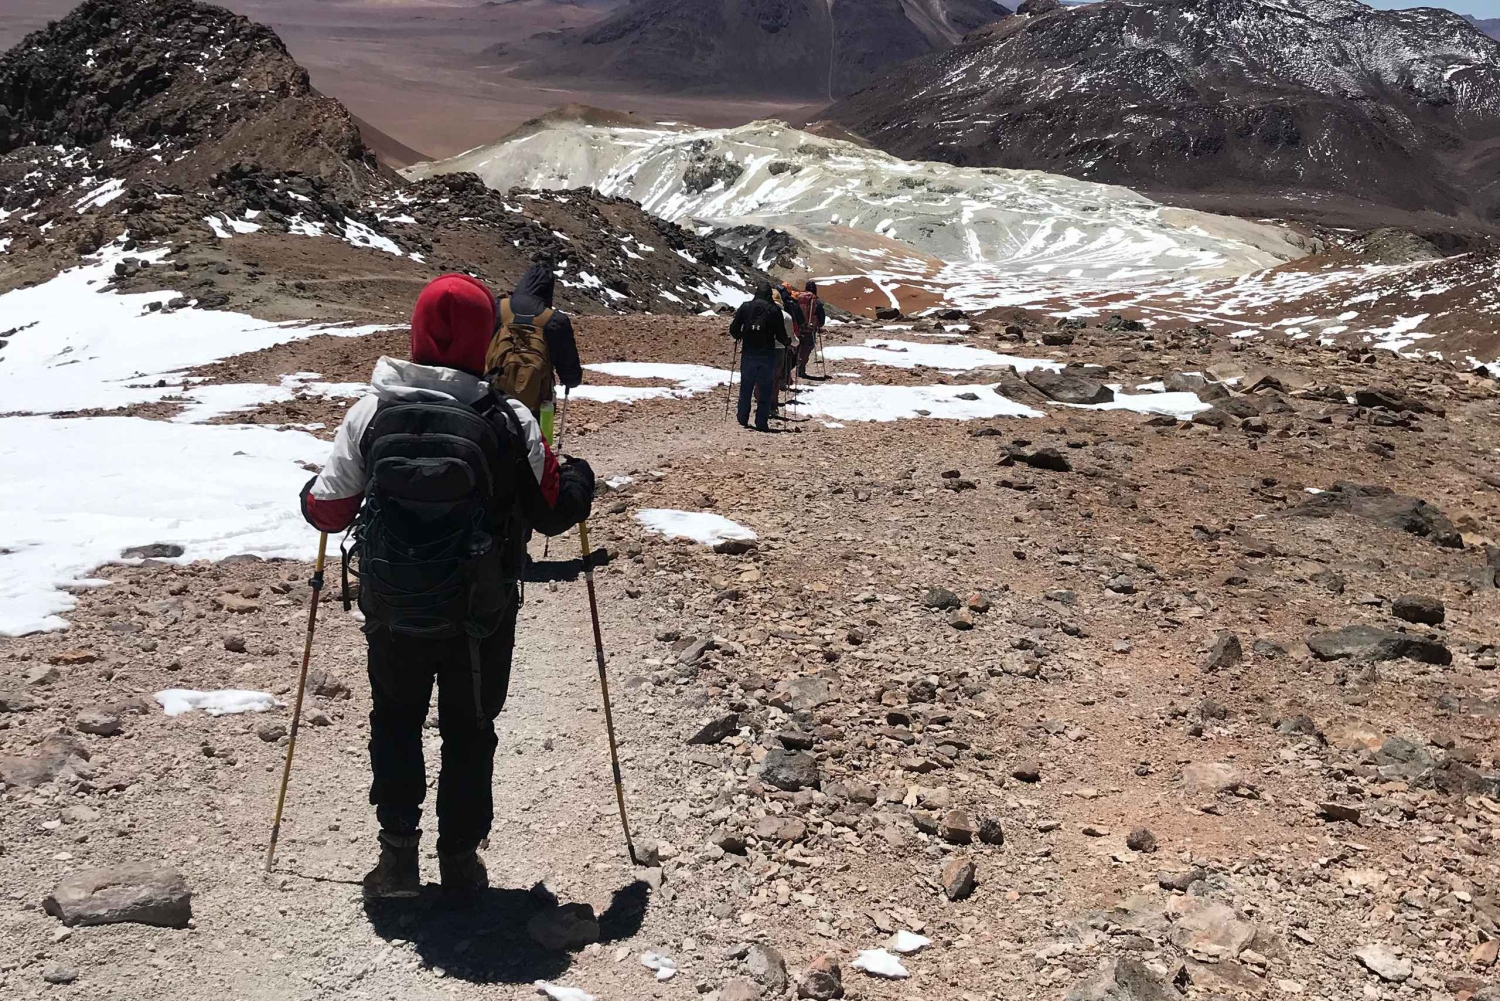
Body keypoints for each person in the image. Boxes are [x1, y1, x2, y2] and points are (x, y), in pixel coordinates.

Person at [299, 273, 595, 901]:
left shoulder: (370, 411)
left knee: (395, 721)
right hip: (477, 614)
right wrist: (579, 481)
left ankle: (398, 859)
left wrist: (310, 495)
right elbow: (549, 513)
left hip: (393, 608)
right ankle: (460, 859)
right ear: (482, 338)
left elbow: (328, 512)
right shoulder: (508, 417)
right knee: (470, 730)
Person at [499, 262, 583, 440]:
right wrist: (571, 381)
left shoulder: (499, 309)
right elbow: (571, 374)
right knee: (535, 444)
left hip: (495, 397)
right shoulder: (555, 320)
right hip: (536, 399)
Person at [730, 282, 791, 431]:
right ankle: (761, 422)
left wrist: (740, 335)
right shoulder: (774, 310)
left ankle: (743, 417)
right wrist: (788, 342)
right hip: (767, 355)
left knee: (746, 386)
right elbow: (781, 335)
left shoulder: (745, 307)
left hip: (749, 353)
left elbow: (733, 329)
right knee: (765, 388)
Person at [795, 281, 827, 380]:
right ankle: (801, 369)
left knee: (795, 348)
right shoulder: (816, 301)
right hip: (810, 329)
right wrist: (818, 324)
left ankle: (788, 370)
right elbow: (821, 319)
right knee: (806, 350)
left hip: (797, 329)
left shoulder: (797, 298)